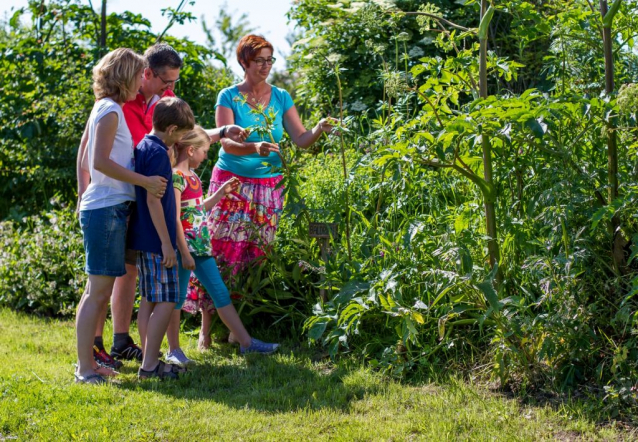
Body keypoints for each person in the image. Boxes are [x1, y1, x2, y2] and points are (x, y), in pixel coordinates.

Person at [77, 43, 248, 367]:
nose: (170, 89)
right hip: (114, 199)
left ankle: (120, 343)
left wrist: (223, 131)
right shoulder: (113, 107)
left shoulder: (154, 106)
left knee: (121, 276)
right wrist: (83, 194)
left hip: (129, 201)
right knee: (105, 282)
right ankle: (95, 351)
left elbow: (187, 136)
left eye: (173, 84)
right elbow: (90, 153)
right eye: (166, 81)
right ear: (145, 74)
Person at [187, 34, 337, 349]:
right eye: (260, 60)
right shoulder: (228, 96)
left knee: (253, 257)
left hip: (270, 187)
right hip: (232, 184)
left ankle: (236, 330)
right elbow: (225, 142)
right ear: (245, 62)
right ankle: (205, 329)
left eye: (270, 60)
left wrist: (319, 129)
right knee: (221, 252)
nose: (266, 66)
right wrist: (254, 146)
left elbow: (300, 138)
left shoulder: (281, 96)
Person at [75, 48, 167, 384]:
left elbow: (91, 158)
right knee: (97, 292)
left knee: (97, 292)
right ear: (124, 75)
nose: (141, 81)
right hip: (106, 208)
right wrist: (143, 180)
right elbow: (97, 161)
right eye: (138, 74)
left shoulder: (106, 108)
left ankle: (90, 363)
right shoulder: (111, 110)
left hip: (110, 207)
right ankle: (85, 369)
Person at [167, 126, 279, 363]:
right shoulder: (176, 177)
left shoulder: (193, 177)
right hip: (184, 248)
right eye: (204, 151)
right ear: (190, 150)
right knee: (176, 298)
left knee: (220, 292)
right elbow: (175, 217)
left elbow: (197, 210)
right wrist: (184, 253)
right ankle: (173, 349)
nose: (206, 156)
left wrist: (220, 194)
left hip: (200, 246)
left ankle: (246, 343)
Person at [129, 96, 194, 379]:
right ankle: (150, 366)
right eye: (181, 134)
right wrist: (167, 243)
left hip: (144, 237)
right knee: (167, 300)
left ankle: (149, 357)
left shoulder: (144, 145)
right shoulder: (157, 152)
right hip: (158, 241)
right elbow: (154, 201)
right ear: (170, 129)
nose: (180, 140)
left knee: (149, 300)